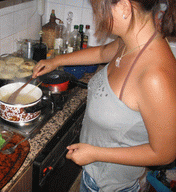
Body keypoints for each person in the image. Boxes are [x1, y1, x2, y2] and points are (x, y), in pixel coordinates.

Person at [33, 0, 176, 191]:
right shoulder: (130, 40)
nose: (98, 17)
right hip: (94, 174)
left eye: (99, 10)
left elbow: (165, 154)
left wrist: (96, 154)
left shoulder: (155, 77)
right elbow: (102, 53)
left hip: (111, 186)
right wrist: (56, 61)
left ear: (125, 8)